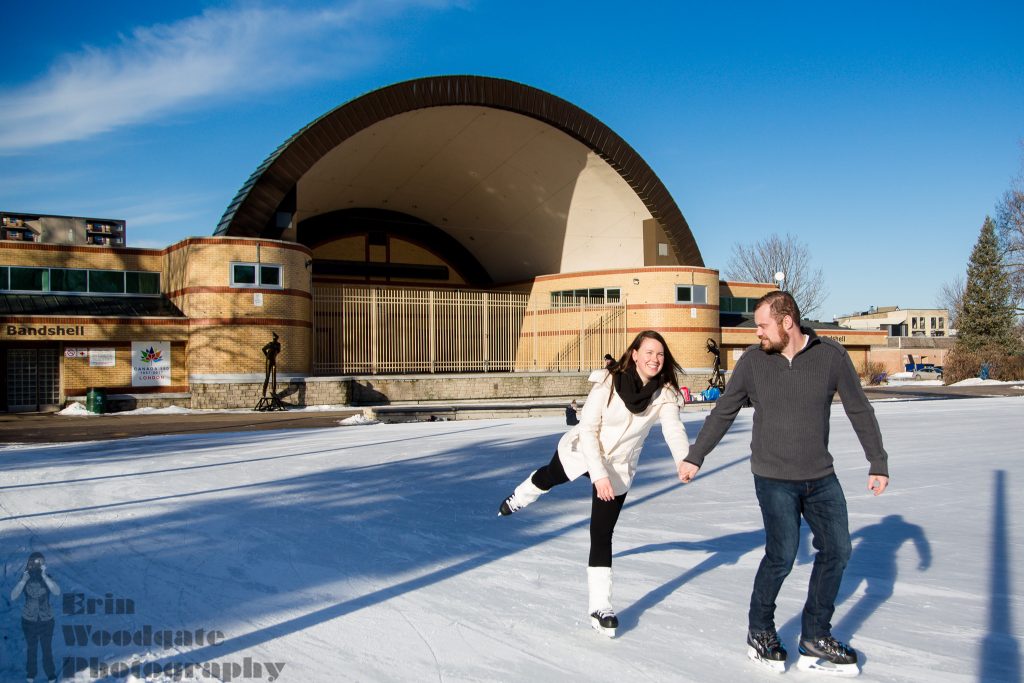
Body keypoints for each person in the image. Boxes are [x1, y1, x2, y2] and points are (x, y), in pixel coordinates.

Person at [677, 291, 889, 675]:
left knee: (838, 551)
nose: (756, 333)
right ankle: (760, 630)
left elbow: (859, 408)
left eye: (762, 325)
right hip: (773, 478)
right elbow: (724, 411)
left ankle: (814, 636)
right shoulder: (753, 362)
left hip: (821, 476)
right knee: (782, 555)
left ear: (786, 321)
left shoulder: (831, 357)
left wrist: (877, 461)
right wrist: (696, 455)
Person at [498, 330, 689, 638]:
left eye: (660, 354)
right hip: (584, 453)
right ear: (635, 354)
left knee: (601, 533)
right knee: (550, 476)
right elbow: (588, 430)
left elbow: (673, 428)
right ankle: (523, 495)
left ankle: (601, 608)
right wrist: (598, 474)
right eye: (649, 352)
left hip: (619, 468)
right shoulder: (608, 381)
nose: (655, 359)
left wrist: (683, 459)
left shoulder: (664, 393)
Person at [11, 551, 61, 683]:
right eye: (33, 563)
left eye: (40, 563)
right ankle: (31, 675)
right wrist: (22, 581)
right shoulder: (25, 578)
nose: (36, 566)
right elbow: (13, 596)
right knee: (31, 649)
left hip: (46, 621)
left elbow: (56, 592)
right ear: (29, 564)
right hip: (29, 621)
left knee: (46, 649)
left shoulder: (47, 577)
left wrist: (45, 577)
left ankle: (50, 675)